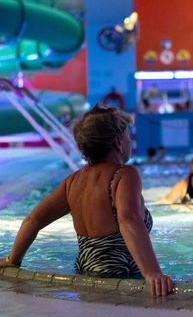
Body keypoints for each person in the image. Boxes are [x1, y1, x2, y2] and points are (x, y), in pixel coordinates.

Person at [0, 105, 172, 297]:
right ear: (118, 143)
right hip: (119, 271)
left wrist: (12, 260)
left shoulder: (73, 181)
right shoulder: (124, 175)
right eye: (128, 137)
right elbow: (128, 219)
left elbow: (33, 220)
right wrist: (152, 272)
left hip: (84, 269)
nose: (130, 142)